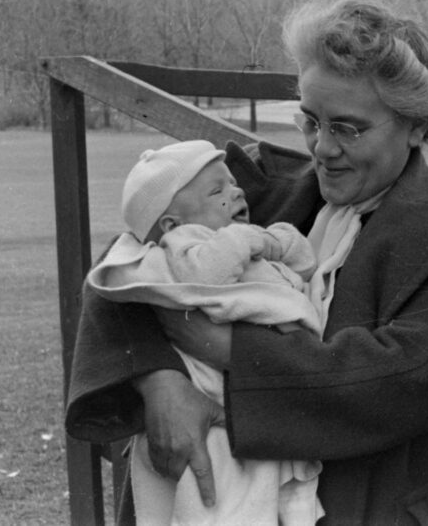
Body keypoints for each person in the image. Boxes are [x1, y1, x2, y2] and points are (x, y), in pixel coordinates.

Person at [66, 0, 428, 525]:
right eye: (310, 120)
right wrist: (159, 381)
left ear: (416, 127)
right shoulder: (253, 187)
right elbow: (122, 265)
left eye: (347, 128)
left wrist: (221, 349)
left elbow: (402, 378)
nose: (321, 148)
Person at [86, 139, 324, 525]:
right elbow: (206, 275)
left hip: (257, 400)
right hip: (211, 401)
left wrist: (275, 241)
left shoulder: (236, 236)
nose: (236, 191)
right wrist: (249, 239)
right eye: (218, 190)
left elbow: (304, 261)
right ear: (171, 225)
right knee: (220, 503)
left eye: (232, 183)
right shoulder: (184, 245)